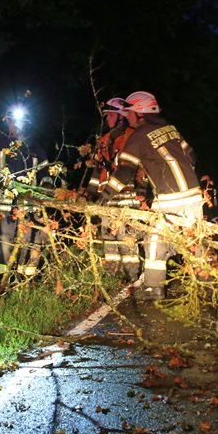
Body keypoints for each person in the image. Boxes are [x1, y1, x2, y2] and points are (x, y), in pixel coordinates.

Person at [103, 91, 203, 300]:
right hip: (194, 194)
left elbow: (125, 170)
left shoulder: (138, 136)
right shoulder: (170, 128)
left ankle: (153, 288)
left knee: (156, 240)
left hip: (170, 198)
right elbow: (191, 155)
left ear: (140, 112)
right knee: (194, 238)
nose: (128, 116)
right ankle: (205, 281)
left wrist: (105, 196)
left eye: (130, 112)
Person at [0, 99, 51, 283]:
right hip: (4, 207)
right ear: (8, 121)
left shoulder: (36, 149)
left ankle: (26, 283)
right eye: (13, 122)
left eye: (20, 122)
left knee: (30, 242)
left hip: (29, 208)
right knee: (4, 243)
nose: (16, 126)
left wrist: (47, 189)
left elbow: (45, 174)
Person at [88, 97, 143, 280]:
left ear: (120, 115)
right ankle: (112, 278)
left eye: (110, 114)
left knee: (127, 240)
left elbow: (136, 168)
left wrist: (142, 190)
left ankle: (132, 278)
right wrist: (90, 194)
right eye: (106, 116)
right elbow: (97, 171)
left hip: (127, 196)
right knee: (109, 240)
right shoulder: (104, 140)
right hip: (106, 198)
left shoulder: (132, 136)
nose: (107, 118)